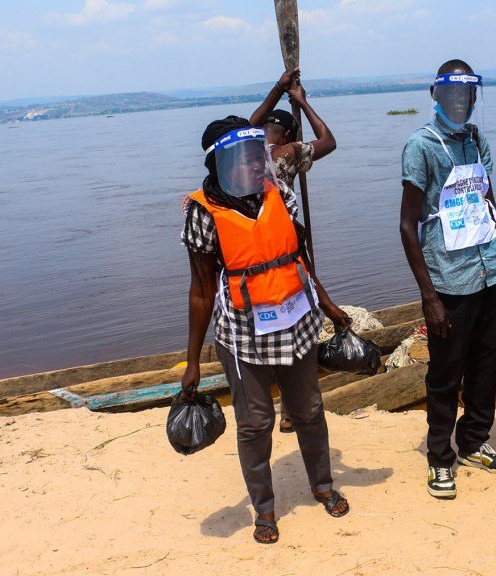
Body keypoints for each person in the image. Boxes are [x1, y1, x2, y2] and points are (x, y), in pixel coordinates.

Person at [180, 115, 350, 544]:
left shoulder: (279, 191)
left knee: (309, 410)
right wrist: (193, 362)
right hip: (243, 336)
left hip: (297, 323)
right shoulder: (203, 211)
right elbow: (201, 291)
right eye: (247, 157)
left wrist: (328, 305)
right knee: (254, 424)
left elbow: (300, 257)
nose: (258, 163)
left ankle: (323, 485)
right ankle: (265, 509)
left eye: (259, 154)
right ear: (221, 162)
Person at [400, 59, 496, 499]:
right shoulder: (422, 146)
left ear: (473, 98)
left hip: (488, 273)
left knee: (484, 365)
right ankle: (439, 457)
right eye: (450, 94)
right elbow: (407, 225)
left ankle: (474, 441)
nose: (459, 102)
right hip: (449, 282)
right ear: (436, 96)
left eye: (466, 95)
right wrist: (429, 296)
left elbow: (491, 208)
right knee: (445, 374)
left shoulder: (476, 141)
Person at [249, 68, 337, 434]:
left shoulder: (247, 153)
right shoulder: (285, 154)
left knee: (266, 321)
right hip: (285, 246)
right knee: (298, 317)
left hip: (252, 250)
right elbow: (328, 141)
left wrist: (277, 89)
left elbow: (248, 123)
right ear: (288, 134)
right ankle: (289, 410)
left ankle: (265, 403)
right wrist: (301, 100)